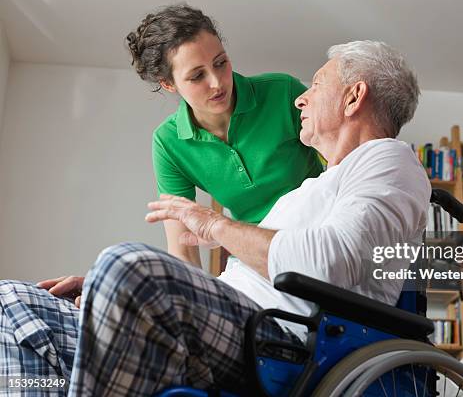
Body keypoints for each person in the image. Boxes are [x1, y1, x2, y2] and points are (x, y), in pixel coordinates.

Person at [0, 40, 429, 396]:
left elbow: (329, 264)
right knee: (15, 304)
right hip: (225, 316)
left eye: (316, 84)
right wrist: (107, 292)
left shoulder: (389, 160)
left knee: (125, 264)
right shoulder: (310, 189)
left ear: (353, 97)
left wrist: (213, 225)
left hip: (281, 337)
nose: (301, 97)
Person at [128, 3, 323, 267]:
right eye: (197, 76)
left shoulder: (282, 91)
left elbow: (341, 161)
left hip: (320, 230)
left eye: (220, 63)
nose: (217, 82)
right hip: (256, 253)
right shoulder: (168, 142)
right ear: (168, 84)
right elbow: (183, 248)